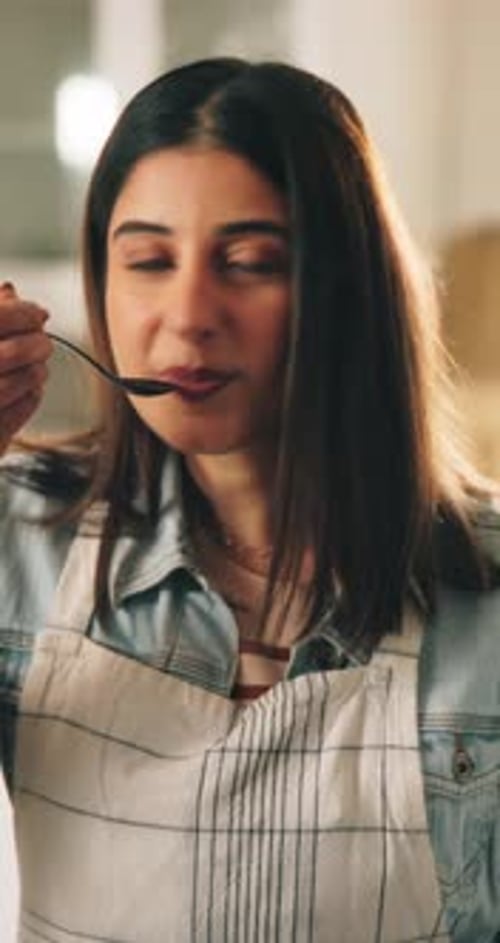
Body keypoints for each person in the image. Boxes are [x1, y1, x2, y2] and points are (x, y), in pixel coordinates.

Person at [0, 57, 499, 943]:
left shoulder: (484, 594)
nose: (188, 313)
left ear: (350, 291)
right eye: (148, 260)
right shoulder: (23, 537)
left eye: (250, 262)